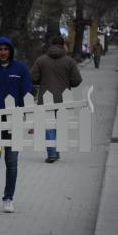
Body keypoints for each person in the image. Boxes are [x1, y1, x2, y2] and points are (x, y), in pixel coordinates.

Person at [0, 36, 33, 214]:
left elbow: (27, 94)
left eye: (6, 49)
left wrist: (29, 120)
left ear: (10, 50)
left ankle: (8, 198)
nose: (3, 52)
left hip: (15, 123)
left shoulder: (21, 69)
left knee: (11, 163)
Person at [31, 35, 82, 163]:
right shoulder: (69, 61)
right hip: (63, 98)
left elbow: (33, 78)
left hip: (45, 98)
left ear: (51, 44)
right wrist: (67, 83)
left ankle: (52, 153)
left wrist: (42, 81)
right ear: (63, 45)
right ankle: (56, 150)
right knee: (60, 125)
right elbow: (77, 80)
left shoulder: (41, 60)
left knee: (48, 125)